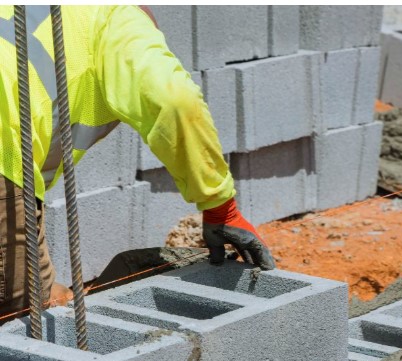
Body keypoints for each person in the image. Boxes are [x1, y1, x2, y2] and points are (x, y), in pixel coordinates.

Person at [0, 5, 275, 319]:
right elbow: (177, 103)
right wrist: (221, 208)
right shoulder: (119, 21)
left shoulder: (50, 15)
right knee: (21, 322)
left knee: (41, 291)